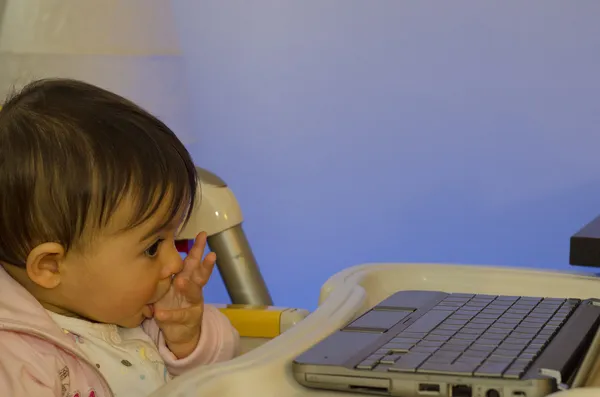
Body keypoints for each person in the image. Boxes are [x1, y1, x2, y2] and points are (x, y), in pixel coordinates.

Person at [0, 79, 240, 397]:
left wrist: (185, 336)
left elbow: (220, 372)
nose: (173, 263)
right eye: (153, 247)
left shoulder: (136, 309)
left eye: (174, 238)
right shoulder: (18, 364)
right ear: (50, 267)